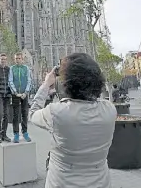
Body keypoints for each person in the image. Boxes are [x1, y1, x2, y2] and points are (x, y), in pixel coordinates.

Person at [29, 53, 117, 188]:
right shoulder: (110, 110)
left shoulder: (56, 112)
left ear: (67, 83)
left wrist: (46, 84)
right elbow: (94, 100)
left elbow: (33, 113)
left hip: (62, 182)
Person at [9, 52, 32, 143]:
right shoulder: (12, 68)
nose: (17, 60)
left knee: (25, 113)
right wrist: (15, 92)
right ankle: (16, 134)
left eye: (19, 58)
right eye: (16, 58)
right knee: (15, 114)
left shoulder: (26, 68)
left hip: (24, 94)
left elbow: (29, 80)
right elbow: (10, 80)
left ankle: (25, 132)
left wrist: (26, 92)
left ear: (22, 59)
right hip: (16, 95)